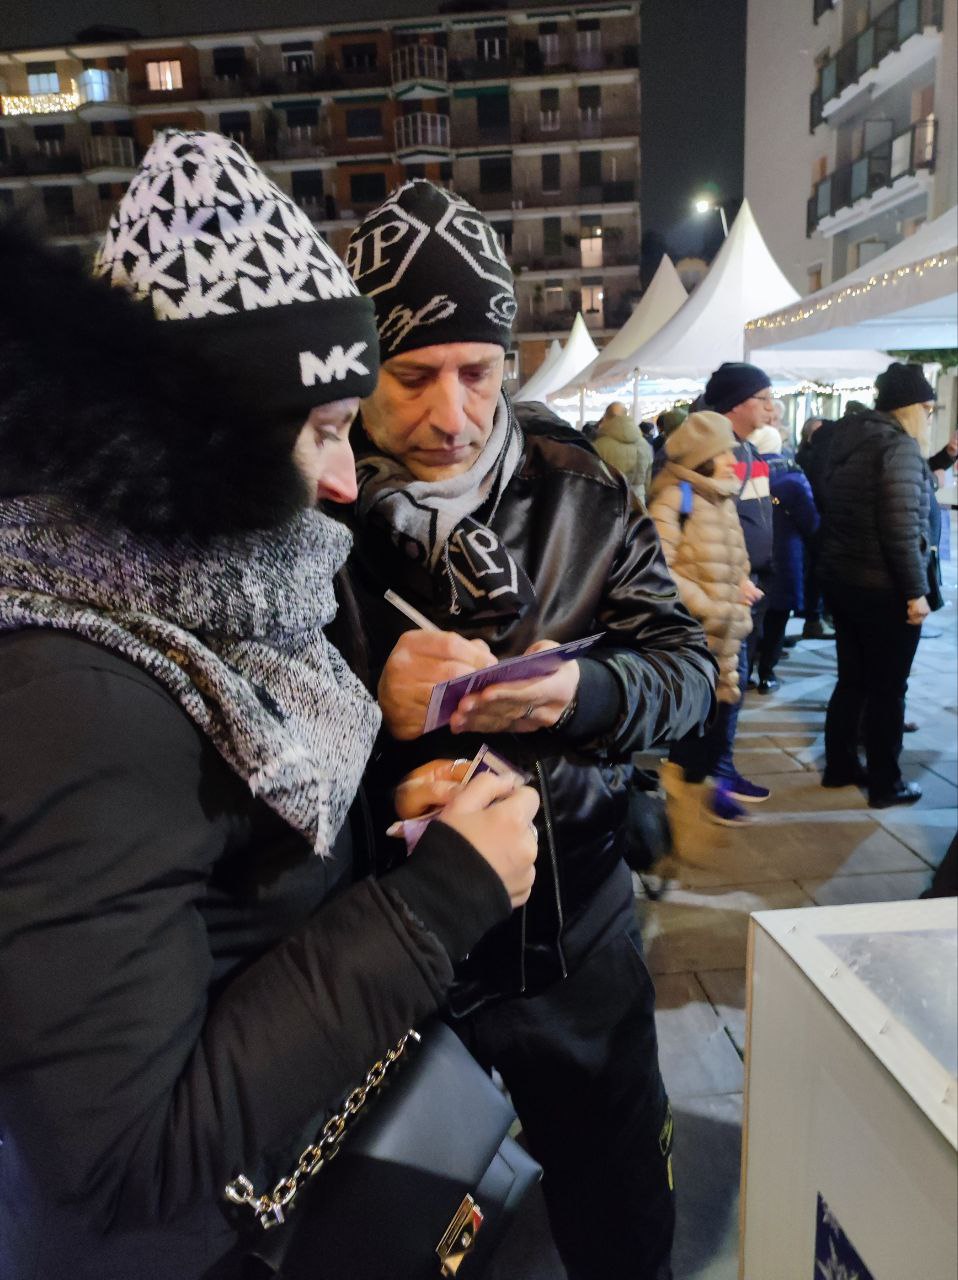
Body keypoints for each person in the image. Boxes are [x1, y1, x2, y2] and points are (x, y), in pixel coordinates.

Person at [0, 134, 540, 1280]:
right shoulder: (78, 689)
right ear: (209, 444)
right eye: (328, 429)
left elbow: (220, 881)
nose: (348, 482)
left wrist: (399, 813)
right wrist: (438, 901)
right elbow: (123, 1155)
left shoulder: (221, 608)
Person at [343, 179, 718, 1280]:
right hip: (388, 965)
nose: (450, 415)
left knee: (621, 1222)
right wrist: (372, 732)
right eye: (410, 377)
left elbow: (686, 676)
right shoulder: (299, 519)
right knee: (399, 1237)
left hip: (579, 948)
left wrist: (580, 697)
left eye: (479, 371)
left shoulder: (579, 493)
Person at [818, 362, 939, 808]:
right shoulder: (899, 449)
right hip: (884, 588)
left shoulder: (848, 441)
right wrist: (914, 592)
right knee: (888, 689)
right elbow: (901, 528)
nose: (931, 413)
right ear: (910, 408)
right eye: (928, 406)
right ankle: (887, 783)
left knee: (852, 680)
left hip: (845, 580)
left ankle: (840, 765)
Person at [648, 413, 753, 836]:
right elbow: (659, 570)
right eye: (723, 452)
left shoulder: (719, 497)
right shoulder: (676, 499)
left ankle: (702, 797)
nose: (733, 460)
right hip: (698, 632)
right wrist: (709, 605)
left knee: (716, 720)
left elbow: (736, 556)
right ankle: (683, 817)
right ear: (702, 458)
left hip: (727, 629)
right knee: (695, 726)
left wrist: (743, 582)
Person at [700, 361, 776, 811]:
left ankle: (718, 770)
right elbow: (688, 524)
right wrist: (733, 577)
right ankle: (711, 779)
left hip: (749, 587)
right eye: (763, 398)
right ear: (737, 403)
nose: (772, 407)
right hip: (722, 592)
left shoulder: (746, 449)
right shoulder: (708, 450)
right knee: (724, 685)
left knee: (734, 684)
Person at [749, 424, 820, 693]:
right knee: (778, 618)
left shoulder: (744, 471)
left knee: (751, 619)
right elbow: (810, 522)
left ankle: (745, 673)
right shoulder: (792, 478)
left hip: (750, 555)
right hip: (784, 555)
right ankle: (767, 672)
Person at [593, 399, 655, 505]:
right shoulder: (644, 444)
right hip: (638, 503)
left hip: (609, 503)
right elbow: (648, 481)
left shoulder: (598, 445)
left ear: (606, 417)